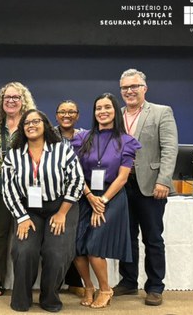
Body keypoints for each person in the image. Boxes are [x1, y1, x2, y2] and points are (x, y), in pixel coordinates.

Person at [2, 109, 84, 312]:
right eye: (26, 123)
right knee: (24, 250)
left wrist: (63, 212)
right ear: (21, 129)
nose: (31, 125)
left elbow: (77, 181)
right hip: (28, 209)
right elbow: (8, 188)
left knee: (56, 253)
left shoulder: (62, 150)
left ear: (45, 124)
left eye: (36, 121)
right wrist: (21, 217)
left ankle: (50, 298)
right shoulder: (13, 156)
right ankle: (21, 299)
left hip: (61, 206)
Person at [113, 69, 178, 306]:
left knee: (152, 238)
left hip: (151, 186)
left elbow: (170, 149)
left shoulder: (161, 112)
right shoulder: (116, 115)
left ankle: (155, 286)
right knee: (126, 237)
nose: (129, 91)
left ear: (144, 88)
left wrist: (163, 180)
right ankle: (128, 281)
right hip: (122, 186)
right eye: (125, 88)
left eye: (134, 86)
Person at [71, 93, 140, 309]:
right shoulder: (82, 138)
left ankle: (106, 289)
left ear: (114, 111)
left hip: (112, 196)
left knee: (94, 245)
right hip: (85, 194)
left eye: (107, 107)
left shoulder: (126, 141)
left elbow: (122, 176)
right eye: (98, 108)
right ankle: (88, 286)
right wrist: (91, 196)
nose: (102, 111)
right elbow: (75, 172)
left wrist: (102, 200)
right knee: (77, 246)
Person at [0, 82, 36, 296]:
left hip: (25, 192)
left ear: (23, 100)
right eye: (7, 97)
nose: (11, 101)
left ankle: (21, 281)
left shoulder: (31, 124)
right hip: (0, 190)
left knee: (23, 237)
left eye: (16, 97)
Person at [52, 100, 86, 297]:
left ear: (77, 115)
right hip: (56, 194)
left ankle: (74, 281)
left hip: (80, 193)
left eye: (71, 111)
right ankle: (55, 281)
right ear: (56, 115)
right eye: (62, 112)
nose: (67, 115)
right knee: (57, 239)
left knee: (74, 238)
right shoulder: (49, 135)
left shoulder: (85, 136)